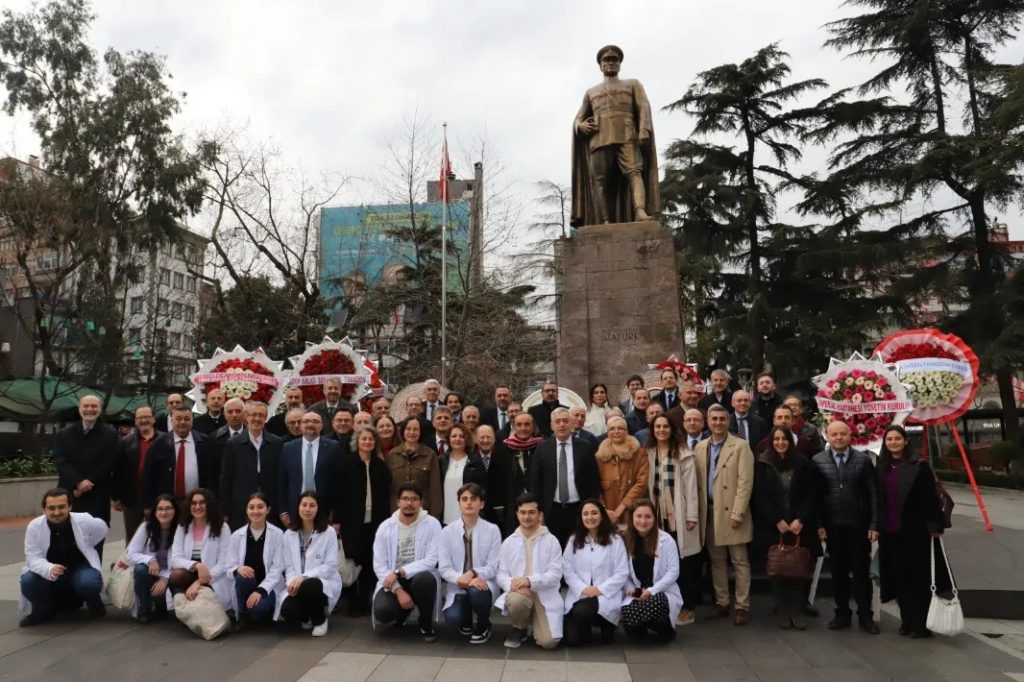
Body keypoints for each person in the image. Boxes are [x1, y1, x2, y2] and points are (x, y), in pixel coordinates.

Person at [571, 44, 659, 225]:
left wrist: (644, 129)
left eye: (614, 60)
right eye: (606, 60)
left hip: (627, 135)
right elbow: (579, 117)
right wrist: (580, 126)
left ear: (619, 64)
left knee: (635, 172)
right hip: (599, 139)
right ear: (601, 66)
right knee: (599, 181)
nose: (610, 63)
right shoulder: (591, 92)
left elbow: (643, 107)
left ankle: (640, 211)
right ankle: (604, 220)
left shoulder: (633, 84)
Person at [876, 425, 947, 638]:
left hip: (915, 532)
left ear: (906, 441)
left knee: (918, 578)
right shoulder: (882, 467)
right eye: (889, 439)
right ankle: (906, 621)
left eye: (897, 439)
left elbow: (929, 498)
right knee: (899, 578)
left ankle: (921, 624)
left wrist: (934, 526)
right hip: (890, 531)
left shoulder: (919, 466)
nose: (893, 442)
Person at [813, 420, 879, 634]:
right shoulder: (818, 461)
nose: (839, 438)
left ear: (850, 436)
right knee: (838, 573)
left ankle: (865, 616)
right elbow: (814, 497)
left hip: (858, 526)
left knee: (861, 573)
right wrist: (818, 524)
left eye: (843, 434)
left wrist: (873, 524)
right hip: (832, 526)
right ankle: (842, 613)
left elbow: (873, 494)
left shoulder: (863, 460)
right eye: (834, 434)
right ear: (827, 436)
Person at [752, 425, 821, 630]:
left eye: (784, 439)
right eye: (776, 439)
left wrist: (801, 519)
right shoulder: (763, 464)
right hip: (775, 526)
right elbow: (759, 496)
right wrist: (776, 519)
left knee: (799, 567)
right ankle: (783, 609)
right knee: (778, 568)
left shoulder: (804, 464)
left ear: (791, 442)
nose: (780, 443)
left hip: (799, 525)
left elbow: (812, 494)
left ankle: (797, 610)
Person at [695, 404, 755, 625]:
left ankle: (742, 605)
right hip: (709, 511)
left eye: (722, 419)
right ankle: (722, 602)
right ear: (708, 422)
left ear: (728, 421)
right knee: (717, 560)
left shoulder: (740, 446)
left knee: (739, 561)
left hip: (732, 512)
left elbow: (745, 482)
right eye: (714, 419)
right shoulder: (700, 447)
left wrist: (738, 513)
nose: (718, 423)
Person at [19, 488, 108, 627]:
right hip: (51, 570)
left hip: (80, 568)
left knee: (88, 582)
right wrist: (49, 568)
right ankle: (42, 611)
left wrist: (88, 545)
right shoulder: (34, 526)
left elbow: (101, 530)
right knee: (28, 580)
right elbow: (32, 557)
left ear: (70, 507)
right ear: (44, 510)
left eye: (61, 507)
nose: (56, 512)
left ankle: (94, 602)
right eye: (51, 508)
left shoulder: (84, 520)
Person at [645, 414, 700, 625]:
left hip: (679, 514)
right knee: (662, 561)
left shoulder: (683, 453)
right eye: (657, 426)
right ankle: (666, 604)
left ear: (672, 429)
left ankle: (688, 607)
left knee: (683, 562)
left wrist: (691, 515)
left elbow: (691, 487)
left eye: (665, 426)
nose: (661, 430)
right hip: (656, 514)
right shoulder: (648, 452)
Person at [371, 483, 443, 642]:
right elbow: (379, 565)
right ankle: (402, 613)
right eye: (405, 499)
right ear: (398, 502)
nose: (409, 503)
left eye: (414, 499)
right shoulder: (385, 527)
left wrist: (400, 571)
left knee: (425, 580)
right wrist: (398, 590)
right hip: (393, 581)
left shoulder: (432, 524)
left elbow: (431, 560)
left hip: (419, 577)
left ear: (421, 502)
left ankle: (425, 622)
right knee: (383, 611)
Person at [496, 493, 564, 649]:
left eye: (531, 512)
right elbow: (501, 574)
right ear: (517, 514)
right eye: (523, 512)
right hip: (520, 593)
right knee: (516, 601)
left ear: (540, 515)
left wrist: (529, 581)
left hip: (543, 593)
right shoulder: (508, 542)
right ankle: (520, 627)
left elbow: (555, 574)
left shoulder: (551, 541)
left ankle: (537, 623)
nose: (526, 517)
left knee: (548, 643)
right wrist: (514, 585)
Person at [337, 426, 391, 616]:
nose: (367, 442)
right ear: (357, 442)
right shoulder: (346, 464)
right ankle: (352, 602)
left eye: (370, 439)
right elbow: (339, 494)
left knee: (370, 560)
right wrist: (337, 520)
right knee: (353, 558)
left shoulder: (380, 466)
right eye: (364, 439)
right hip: (352, 521)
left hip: (375, 521)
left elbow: (385, 494)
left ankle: (366, 601)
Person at [438, 483, 502, 644]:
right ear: (458, 503)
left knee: (477, 591)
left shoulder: (492, 530)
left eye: (473, 499)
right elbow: (444, 568)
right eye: (464, 499)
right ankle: (465, 618)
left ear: (482, 504)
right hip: (458, 583)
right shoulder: (447, 532)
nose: (468, 503)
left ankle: (483, 625)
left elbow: (493, 566)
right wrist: (464, 579)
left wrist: (473, 573)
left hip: (482, 582)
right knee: (453, 618)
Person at [530, 408, 601, 548]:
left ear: (572, 424)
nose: (561, 424)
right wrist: (538, 510)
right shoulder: (543, 448)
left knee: (580, 548)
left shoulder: (585, 447)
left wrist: (592, 506)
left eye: (565, 421)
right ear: (552, 425)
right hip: (552, 511)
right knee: (554, 549)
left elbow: (593, 480)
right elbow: (536, 482)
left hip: (579, 510)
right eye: (557, 421)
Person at [54, 395, 118, 550]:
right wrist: (77, 483)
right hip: (70, 495)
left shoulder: (110, 434)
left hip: (97, 495)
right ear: (79, 408)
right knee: (66, 543)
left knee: (95, 544)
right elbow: (61, 461)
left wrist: (87, 483)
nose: (90, 409)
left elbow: (108, 463)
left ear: (100, 409)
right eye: (86, 406)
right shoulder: (64, 434)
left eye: (94, 406)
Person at [562, 500, 628, 646]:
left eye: (594, 513)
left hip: (605, 594)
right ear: (581, 518)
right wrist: (584, 588)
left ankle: (606, 625)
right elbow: (567, 570)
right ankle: (586, 626)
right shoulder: (574, 540)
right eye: (585, 514)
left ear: (602, 516)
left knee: (580, 611)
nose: (589, 517)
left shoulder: (615, 540)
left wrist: (599, 589)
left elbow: (622, 572)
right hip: (582, 593)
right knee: (573, 640)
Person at [620, 500, 683, 641]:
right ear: (631, 518)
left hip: (661, 590)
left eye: (648, 516)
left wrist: (651, 591)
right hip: (638, 590)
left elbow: (673, 572)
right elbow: (623, 573)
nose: (643, 521)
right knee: (630, 623)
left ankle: (664, 628)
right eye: (638, 516)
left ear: (654, 518)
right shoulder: (625, 540)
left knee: (656, 604)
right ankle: (644, 624)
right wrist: (632, 590)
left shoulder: (667, 540)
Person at [280, 491, 340, 636]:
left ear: (318, 508)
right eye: (304, 505)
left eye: (312, 505)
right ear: (298, 507)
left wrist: (304, 577)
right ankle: (307, 617)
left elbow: (331, 565)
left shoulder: (329, 532)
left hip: (321, 582)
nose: (307, 509)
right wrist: (291, 583)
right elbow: (289, 566)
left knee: (311, 585)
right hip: (297, 582)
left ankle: (320, 620)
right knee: (288, 611)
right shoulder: (289, 534)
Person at [219, 401, 282, 529]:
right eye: (253, 415)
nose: (257, 418)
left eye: (261, 415)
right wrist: (224, 510)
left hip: (270, 503)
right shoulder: (233, 444)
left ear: (266, 418)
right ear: (246, 417)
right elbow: (226, 478)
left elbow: (281, 476)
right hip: (241, 505)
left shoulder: (276, 443)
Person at [227, 492, 285, 630]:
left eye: (260, 507)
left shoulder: (277, 534)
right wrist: (238, 568)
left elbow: (278, 568)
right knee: (242, 575)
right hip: (246, 585)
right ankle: (242, 615)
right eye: (251, 507)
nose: (255, 511)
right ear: (246, 510)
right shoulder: (237, 535)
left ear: (268, 509)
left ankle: (261, 611)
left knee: (259, 608)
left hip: (268, 586)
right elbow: (229, 565)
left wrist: (261, 590)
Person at [168, 488, 233, 610]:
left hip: (213, 577)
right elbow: (175, 559)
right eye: (194, 503)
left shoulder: (222, 527)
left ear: (209, 505)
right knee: (176, 576)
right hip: (189, 574)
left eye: (202, 503)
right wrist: (197, 565)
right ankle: (182, 607)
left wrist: (199, 582)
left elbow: (224, 563)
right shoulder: (183, 526)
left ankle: (190, 607)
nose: (197, 506)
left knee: (201, 603)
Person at [278, 411, 343, 527]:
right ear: (301, 425)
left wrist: (336, 515)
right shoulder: (288, 448)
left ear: (321, 426)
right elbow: (282, 482)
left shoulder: (333, 447)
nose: (310, 424)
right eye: (306, 421)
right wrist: (283, 512)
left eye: (315, 421)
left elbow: (339, 483)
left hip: (325, 510)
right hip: (295, 510)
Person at [143, 406, 216, 508]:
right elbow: (149, 476)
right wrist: (148, 504)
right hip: (167, 504)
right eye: (178, 419)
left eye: (187, 419)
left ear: (192, 421)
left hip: (197, 504)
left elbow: (212, 474)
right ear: (172, 421)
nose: (182, 422)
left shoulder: (205, 442)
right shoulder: (158, 444)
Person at [125, 493, 178, 623]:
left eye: (168, 508)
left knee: (164, 600)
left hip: (172, 574)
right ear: (155, 512)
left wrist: (165, 579)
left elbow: (181, 560)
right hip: (151, 572)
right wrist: (150, 560)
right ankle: (144, 610)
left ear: (175, 510)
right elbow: (130, 553)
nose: (164, 512)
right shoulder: (146, 527)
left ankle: (163, 606)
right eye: (160, 509)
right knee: (140, 570)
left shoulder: (181, 529)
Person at [114, 404, 159, 541]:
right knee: (133, 538)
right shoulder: (125, 442)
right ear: (135, 421)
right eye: (140, 417)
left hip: (158, 498)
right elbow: (118, 470)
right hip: (132, 499)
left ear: (153, 419)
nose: (144, 420)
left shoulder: (165, 440)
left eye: (147, 417)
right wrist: (116, 497)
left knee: (158, 536)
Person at [596, 416, 649, 526]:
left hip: (632, 511)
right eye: (612, 429)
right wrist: (604, 509)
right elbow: (595, 485)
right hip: (607, 514)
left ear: (627, 431)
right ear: (607, 433)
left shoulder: (639, 454)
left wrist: (624, 505)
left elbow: (642, 482)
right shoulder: (599, 457)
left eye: (620, 428)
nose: (616, 432)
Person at [386, 417, 443, 520]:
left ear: (420, 432)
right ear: (403, 431)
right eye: (408, 429)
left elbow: (435, 489)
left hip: (422, 513)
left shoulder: (430, 455)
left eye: (416, 429)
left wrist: (435, 516)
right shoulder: (392, 454)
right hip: (397, 513)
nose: (411, 432)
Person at [498, 412, 542, 533]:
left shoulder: (542, 447)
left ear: (533, 426)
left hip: (537, 505)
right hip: (512, 505)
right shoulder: (504, 449)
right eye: (519, 424)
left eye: (527, 424)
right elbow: (498, 481)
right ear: (513, 426)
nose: (523, 428)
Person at [439, 423, 487, 526]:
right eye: (454, 436)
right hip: (445, 516)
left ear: (466, 439)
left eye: (461, 436)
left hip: (468, 516)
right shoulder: (441, 461)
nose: (457, 439)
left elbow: (482, 490)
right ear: (448, 439)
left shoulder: (475, 461)